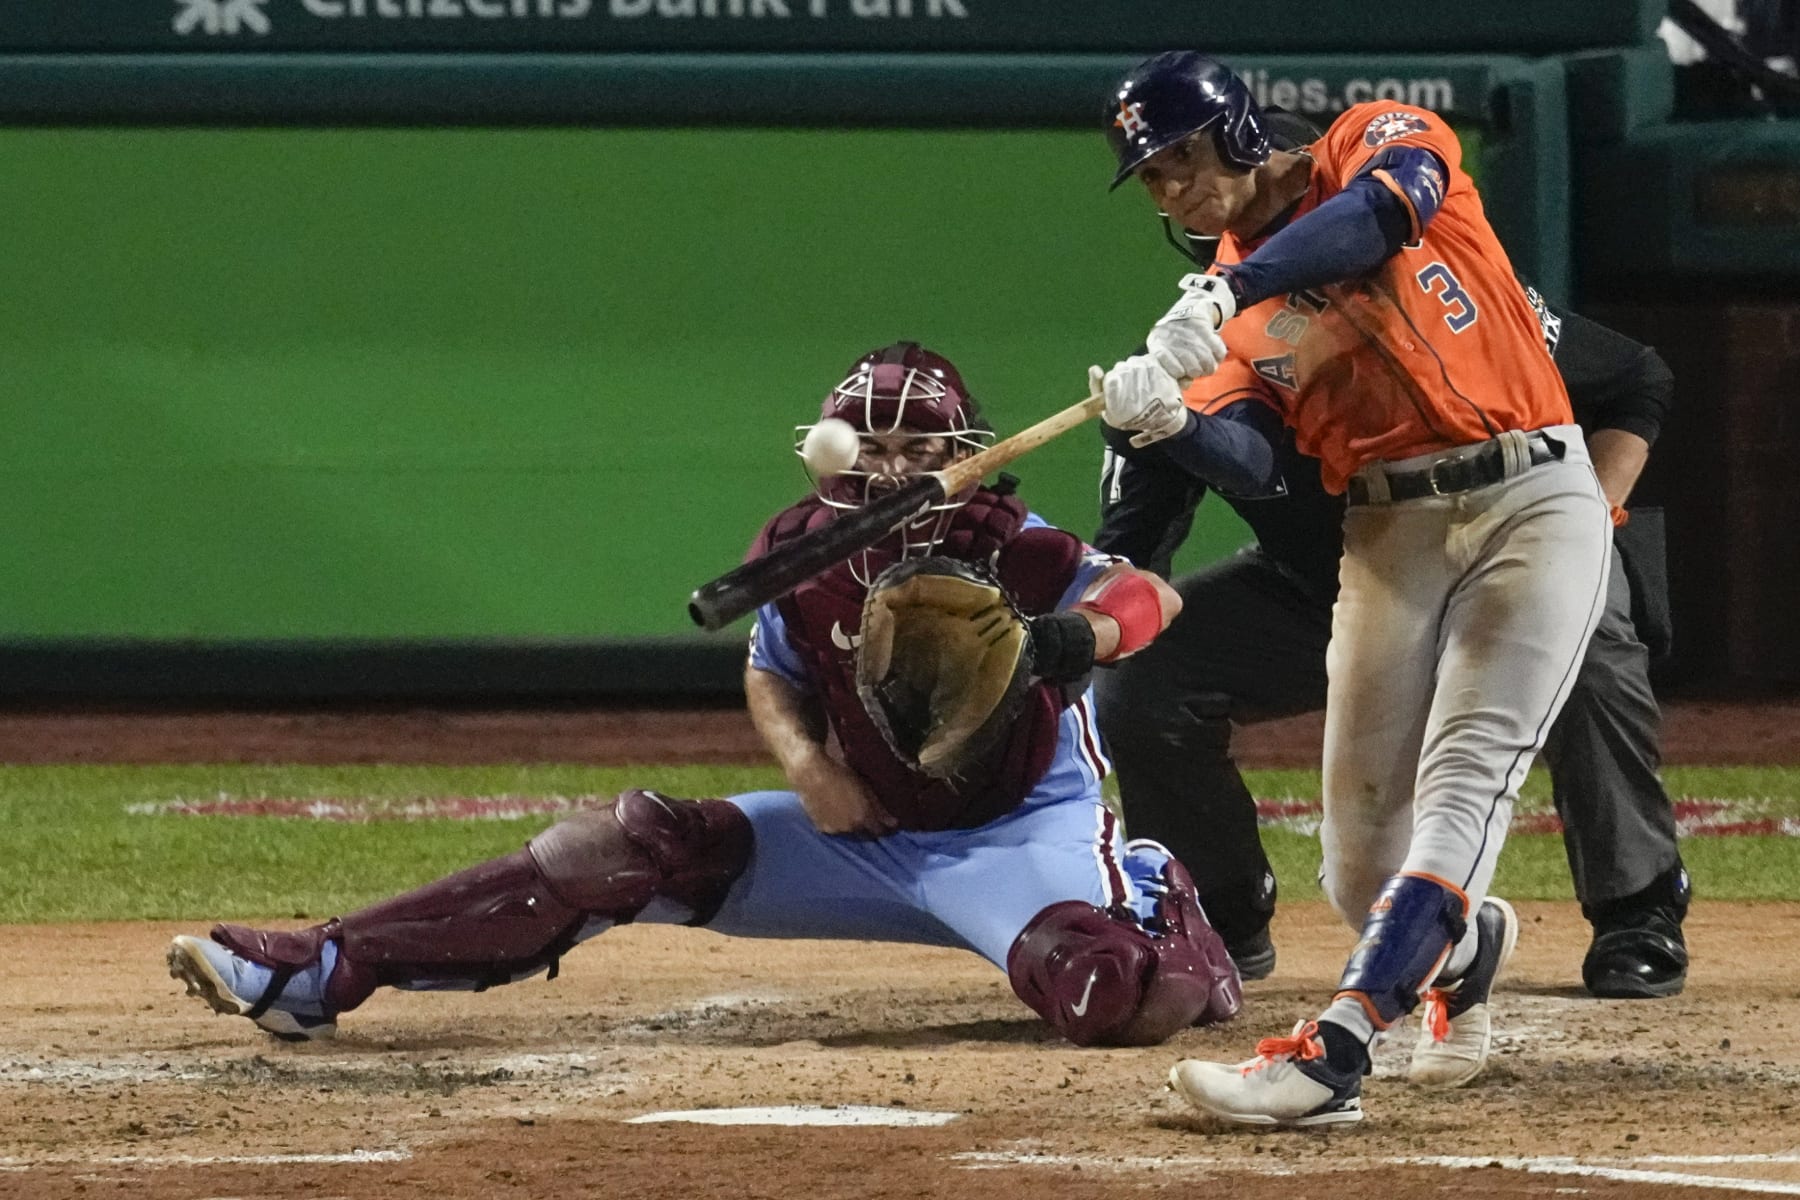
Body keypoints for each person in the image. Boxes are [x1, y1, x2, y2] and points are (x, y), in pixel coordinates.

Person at [165, 341, 1242, 1050]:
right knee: (618, 848)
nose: (891, 466)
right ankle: (322, 971)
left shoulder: (1004, 541)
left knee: (1114, 999)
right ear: (833, 453)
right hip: (864, 835)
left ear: (958, 458)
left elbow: (1151, 597)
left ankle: (1155, 898)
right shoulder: (798, 548)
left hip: (1012, 836)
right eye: (873, 444)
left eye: (919, 448)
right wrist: (810, 769)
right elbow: (769, 669)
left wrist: (1071, 636)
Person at [1091, 51, 1615, 1125]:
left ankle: (1331, 1055)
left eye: (1183, 154)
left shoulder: (1372, 139)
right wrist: (1173, 423)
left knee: (1464, 788)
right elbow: (1256, 463)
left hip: (1531, 494)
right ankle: (1466, 952)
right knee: (1359, 861)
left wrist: (1233, 283)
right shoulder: (1223, 317)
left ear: (1240, 130)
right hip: (1388, 531)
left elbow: (1381, 218)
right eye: (1150, 173)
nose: (1173, 185)